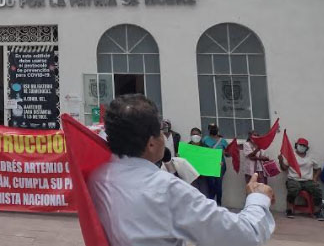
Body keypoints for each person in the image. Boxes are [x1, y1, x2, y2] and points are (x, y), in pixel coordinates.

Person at [89, 94, 275, 246]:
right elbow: (244, 237)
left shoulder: (97, 178)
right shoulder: (165, 189)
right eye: (160, 130)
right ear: (152, 143)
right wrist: (258, 199)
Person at [279, 137, 323, 220]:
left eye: (304, 145)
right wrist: (280, 161)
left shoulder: (311, 157)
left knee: (317, 190)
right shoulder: (291, 156)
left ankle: (318, 212)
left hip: (307, 181)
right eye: (300, 145)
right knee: (293, 190)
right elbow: (284, 168)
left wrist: (315, 178)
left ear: (307, 148)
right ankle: (289, 210)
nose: (302, 147)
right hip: (293, 179)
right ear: (296, 145)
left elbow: (318, 168)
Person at [202, 123, 229, 205]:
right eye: (211, 128)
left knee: (218, 184)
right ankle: (210, 203)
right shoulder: (205, 139)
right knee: (211, 184)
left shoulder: (223, 141)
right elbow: (201, 151)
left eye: (215, 128)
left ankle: (218, 204)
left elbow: (229, 154)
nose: (213, 129)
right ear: (209, 129)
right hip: (209, 165)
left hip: (220, 165)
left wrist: (225, 152)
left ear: (217, 129)